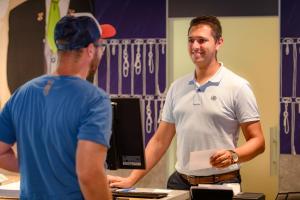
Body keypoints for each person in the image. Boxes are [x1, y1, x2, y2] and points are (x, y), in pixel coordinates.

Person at [108, 16, 265, 193]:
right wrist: (131, 179)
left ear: (218, 43)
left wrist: (234, 155)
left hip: (221, 184)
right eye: (191, 40)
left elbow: (258, 141)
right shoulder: (177, 87)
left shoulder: (237, 86)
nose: (195, 46)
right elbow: (160, 141)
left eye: (202, 40)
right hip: (179, 183)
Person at [0, 12, 116, 199]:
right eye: (101, 45)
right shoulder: (95, 100)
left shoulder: (23, 93)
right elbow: (89, 174)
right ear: (91, 50)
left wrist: (38, 168)